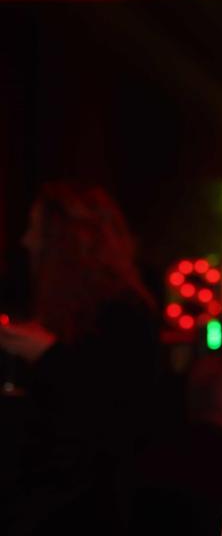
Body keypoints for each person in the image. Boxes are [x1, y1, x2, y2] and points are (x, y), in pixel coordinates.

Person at [0, 182, 160, 536]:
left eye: (35, 229)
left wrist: (45, 354)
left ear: (66, 244)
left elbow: (115, 421)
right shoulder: (74, 312)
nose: (26, 241)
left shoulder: (124, 314)